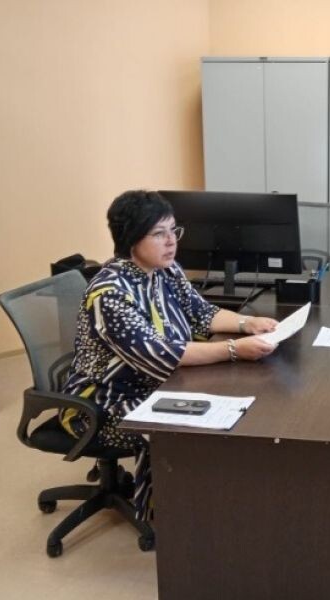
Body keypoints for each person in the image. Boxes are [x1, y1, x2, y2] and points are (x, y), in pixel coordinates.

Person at [61, 190, 278, 520]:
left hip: (156, 383)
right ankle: (171, 518)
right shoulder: (110, 293)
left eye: (173, 230)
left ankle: (216, 502)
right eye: (158, 233)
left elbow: (202, 313)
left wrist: (247, 323)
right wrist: (234, 349)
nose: (171, 241)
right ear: (131, 239)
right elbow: (159, 354)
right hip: (104, 401)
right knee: (182, 427)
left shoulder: (166, 270)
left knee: (230, 405)